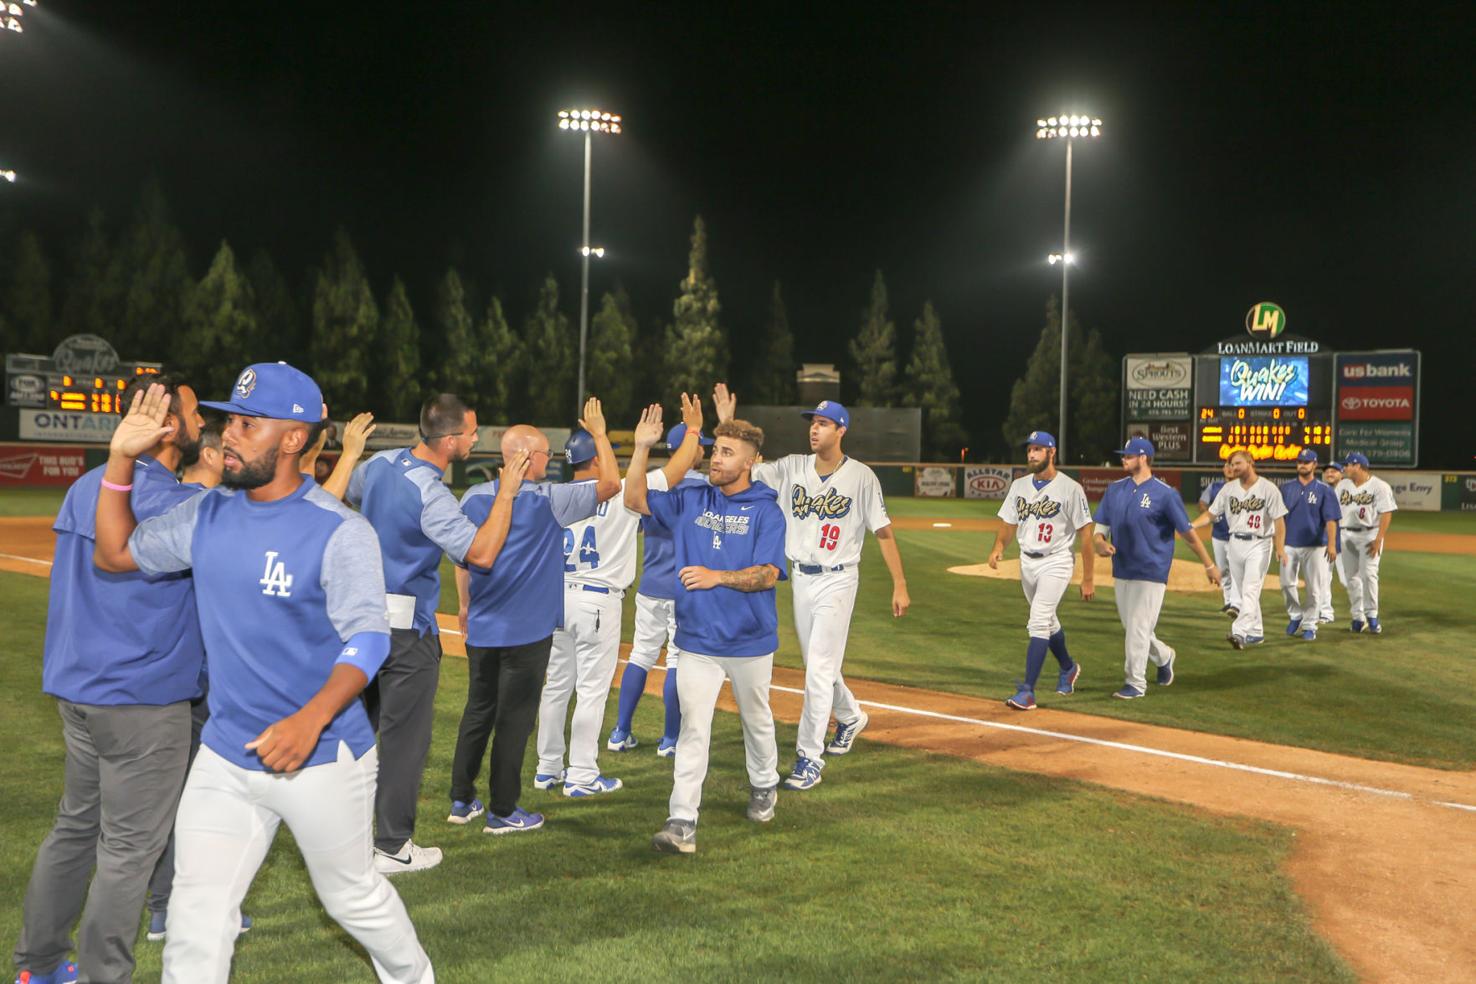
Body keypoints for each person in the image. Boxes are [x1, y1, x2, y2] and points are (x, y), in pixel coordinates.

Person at [93, 364, 434, 984]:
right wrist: (119, 459)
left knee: (352, 897)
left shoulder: (340, 531)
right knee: (196, 919)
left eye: (249, 423)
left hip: (323, 757)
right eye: (229, 420)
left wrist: (311, 718)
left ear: (295, 439)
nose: (229, 434)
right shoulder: (207, 515)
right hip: (225, 756)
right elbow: (114, 553)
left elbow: (368, 639)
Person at [13, 375, 204, 984]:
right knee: (127, 850)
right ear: (168, 427)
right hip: (143, 699)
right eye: (196, 413)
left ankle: (39, 966)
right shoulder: (177, 504)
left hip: (79, 688)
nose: (204, 425)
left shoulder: (89, 484)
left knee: (75, 827)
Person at [342, 395, 524, 873]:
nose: (474, 439)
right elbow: (480, 555)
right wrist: (506, 493)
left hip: (358, 619)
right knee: (405, 742)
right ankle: (391, 847)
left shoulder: (379, 464)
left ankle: (341, 837)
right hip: (406, 631)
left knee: (353, 734)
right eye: (470, 433)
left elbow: (355, 496)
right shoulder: (432, 494)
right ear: (448, 441)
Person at [715, 386, 909, 791]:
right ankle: (851, 716)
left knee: (818, 670)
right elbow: (741, 469)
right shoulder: (791, 468)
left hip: (839, 579)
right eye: (812, 423)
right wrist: (726, 425)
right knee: (820, 665)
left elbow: (885, 533)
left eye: (822, 424)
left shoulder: (861, 477)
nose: (814, 430)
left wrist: (900, 585)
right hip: (800, 578)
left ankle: (809, 758)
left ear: (841, 430)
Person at [625, 398, 789, 855]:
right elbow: (634, 498)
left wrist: (718, 577)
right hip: (696, 640)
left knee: (757, 720)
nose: (716, 458)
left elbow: (768, 575)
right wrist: (641, 449)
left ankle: (763, 784)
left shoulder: (766, 512)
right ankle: (682, 823)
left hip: (750, 641)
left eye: (727, 453)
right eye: (715, 450)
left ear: (751, 462)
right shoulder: (691, 497)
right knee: (694, 729)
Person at [449, 399, 619, 834]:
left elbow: (463, 559)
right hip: (526, 633)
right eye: (544, 452)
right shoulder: (550, 500)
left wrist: (464, 604)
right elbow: (612, 484)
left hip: (483, 626)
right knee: (513, 721)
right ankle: (503, 811)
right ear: (524, 456)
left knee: (478, 712)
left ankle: (461, 799)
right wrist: (600, 433)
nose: (550, 459)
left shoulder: (472, 498)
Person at [144, 413, 252, 944]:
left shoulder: (205, 504)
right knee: (194, 795)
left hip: (199, 673)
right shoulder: (195, 507)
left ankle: (177, 904)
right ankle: (171, 906)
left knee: (196, 794)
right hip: (195, 675)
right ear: (210, 454)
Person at [536, 427, 687, 795]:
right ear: (599, 459)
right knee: (591, 691)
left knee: (556, 687)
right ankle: (582, 775)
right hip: (597, 600)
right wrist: (691, 430)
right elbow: (677, 469)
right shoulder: (618, 490)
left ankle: (547, 768)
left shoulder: (553, 494)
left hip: (556, 598)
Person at [606, 423, 712, 757]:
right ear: (688, 450)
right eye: (699, 445)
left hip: (651, 584)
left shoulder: (651, 483)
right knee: (677, 660)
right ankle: (669, 740)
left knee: (641, 655)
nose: (704, 450)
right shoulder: (707, 488)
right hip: (686, 587)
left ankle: (620, 731)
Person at [1093, 437, 1220, 699]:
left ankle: (1135, 683)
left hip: (1152, 569)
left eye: (1128, 455)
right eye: (1123, 455)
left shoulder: (1165, 493)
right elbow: (1100, 528)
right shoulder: (1115, 489)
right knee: (1134, 629)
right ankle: (1164, 657)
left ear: (1143, 458)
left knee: (1138, 628)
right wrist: (1100, 544)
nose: (1123, 459)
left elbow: (1187, 534)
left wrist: (1209, 564)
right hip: (1122, 568)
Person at [988, 431, 1094, 711]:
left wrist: (1088, 578)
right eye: (1029, 450)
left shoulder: (1070, 488)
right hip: (1027, 562)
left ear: (1052, 453)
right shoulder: (1019, 486)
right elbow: (1009, 524)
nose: (1032, 454)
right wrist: (999, 546)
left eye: (1038, 449)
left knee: (1037, 621)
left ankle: (1028, 692)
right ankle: (1068, 668)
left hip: (1057, 561)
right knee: (1048, 621)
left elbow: (1085, 533)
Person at [1192, 449, 1287, 649]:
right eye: (1231, 464)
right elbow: (1210, 514)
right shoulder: (1228, 489)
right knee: (1246, 591)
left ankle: (1239, 632)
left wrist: (1280, 548)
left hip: (1259, 543)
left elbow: (1279, 520)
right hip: (1234, 542)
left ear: (1250, 462)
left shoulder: (1268, 489)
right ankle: (1256, 631)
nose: (1234, 467)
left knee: (1251, 589)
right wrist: (1192, 525)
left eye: (1237, 463)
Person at [1278, 450, 1341, 641]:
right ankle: (1296, 615)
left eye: (1307, 462)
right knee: (1286, 584)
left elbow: (1331, 520)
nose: (1302, 464)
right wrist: (1278, 545)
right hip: (1289, 544)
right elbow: (1278, 519)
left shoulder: (1324, 490)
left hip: (1316, 546)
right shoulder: (1286, 488)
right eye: (1300, 461)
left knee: (1314, 588)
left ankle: (1310, 625)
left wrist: (1331, 545)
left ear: (1314, 465)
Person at [1335, 452, 1397, 634]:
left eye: (1348, 465)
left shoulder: (1379, 486)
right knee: (1351, 577)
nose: (1344, 468)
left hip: (1369, 534)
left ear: (1358, 466)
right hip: (1346, 533)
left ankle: (1372, 615)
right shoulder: (1342, 485)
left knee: (1369, 574)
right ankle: (1357, 617)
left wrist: (1379, 539)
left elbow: (1386, 512)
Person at [1196, 460, 1239, 619]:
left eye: (1232, 465)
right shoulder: (1214, 487)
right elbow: (1202, 503)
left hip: (1238, 537)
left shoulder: (1242, 487)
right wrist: (1206, 510)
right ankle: (1229, 602)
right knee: (1223, 571)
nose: (1229, 468)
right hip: (1219, 535)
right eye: (1226, 466)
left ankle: (1237, 603)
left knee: (1237, 571)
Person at [1318, 461, 1348, 623]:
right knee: (1323, 578)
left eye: (1334, 471)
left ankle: (1363, 611)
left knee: (1348, 579)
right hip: (1326, 539)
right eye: (1327, 471)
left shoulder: (1349, 491)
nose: (1330, 473)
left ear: (1341, 473)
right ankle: (1326, 612)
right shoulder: (1319, 491)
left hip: (1346, 540)